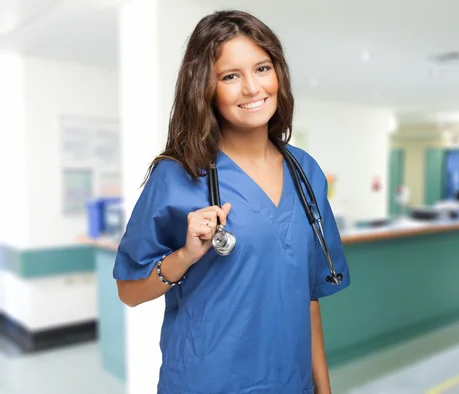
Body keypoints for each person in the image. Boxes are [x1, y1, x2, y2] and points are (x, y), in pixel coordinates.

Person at [113, 9, 351, 394]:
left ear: (279, 74)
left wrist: (323, 389)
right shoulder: (178, 175)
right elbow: (129, 290)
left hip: (290, 383)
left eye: (262, 69)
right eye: (230, 76)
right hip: (206, 381)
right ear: (205, 88)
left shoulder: (305, 172)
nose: (252, 88)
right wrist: (185, 256)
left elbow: (306, 298)